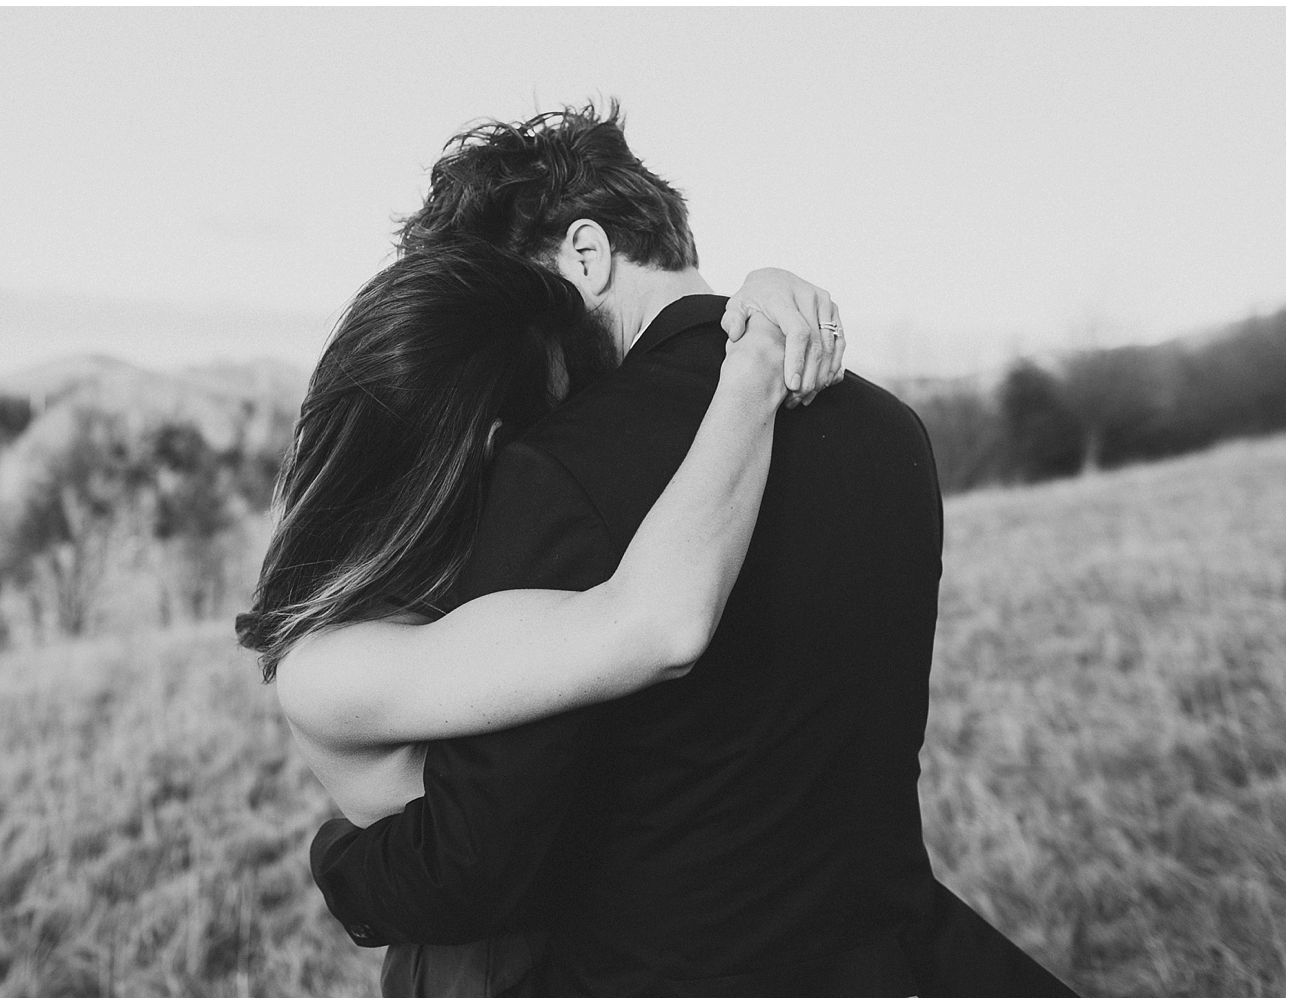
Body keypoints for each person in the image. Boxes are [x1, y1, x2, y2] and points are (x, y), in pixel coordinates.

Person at [309, 102, 1078, 996]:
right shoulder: (888, 427)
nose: (510, 350)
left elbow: (479, 866)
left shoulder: (554, 470)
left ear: (587, 256)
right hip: (881, 962)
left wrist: (337, 856)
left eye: (511, 300)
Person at [238, 239, 841, 993]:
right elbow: (660, 626)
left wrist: (754, 294)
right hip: (485, 970)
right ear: (497, 449)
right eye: (565, 421)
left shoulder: (445, 573)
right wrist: (752, 367)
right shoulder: (330, 666)